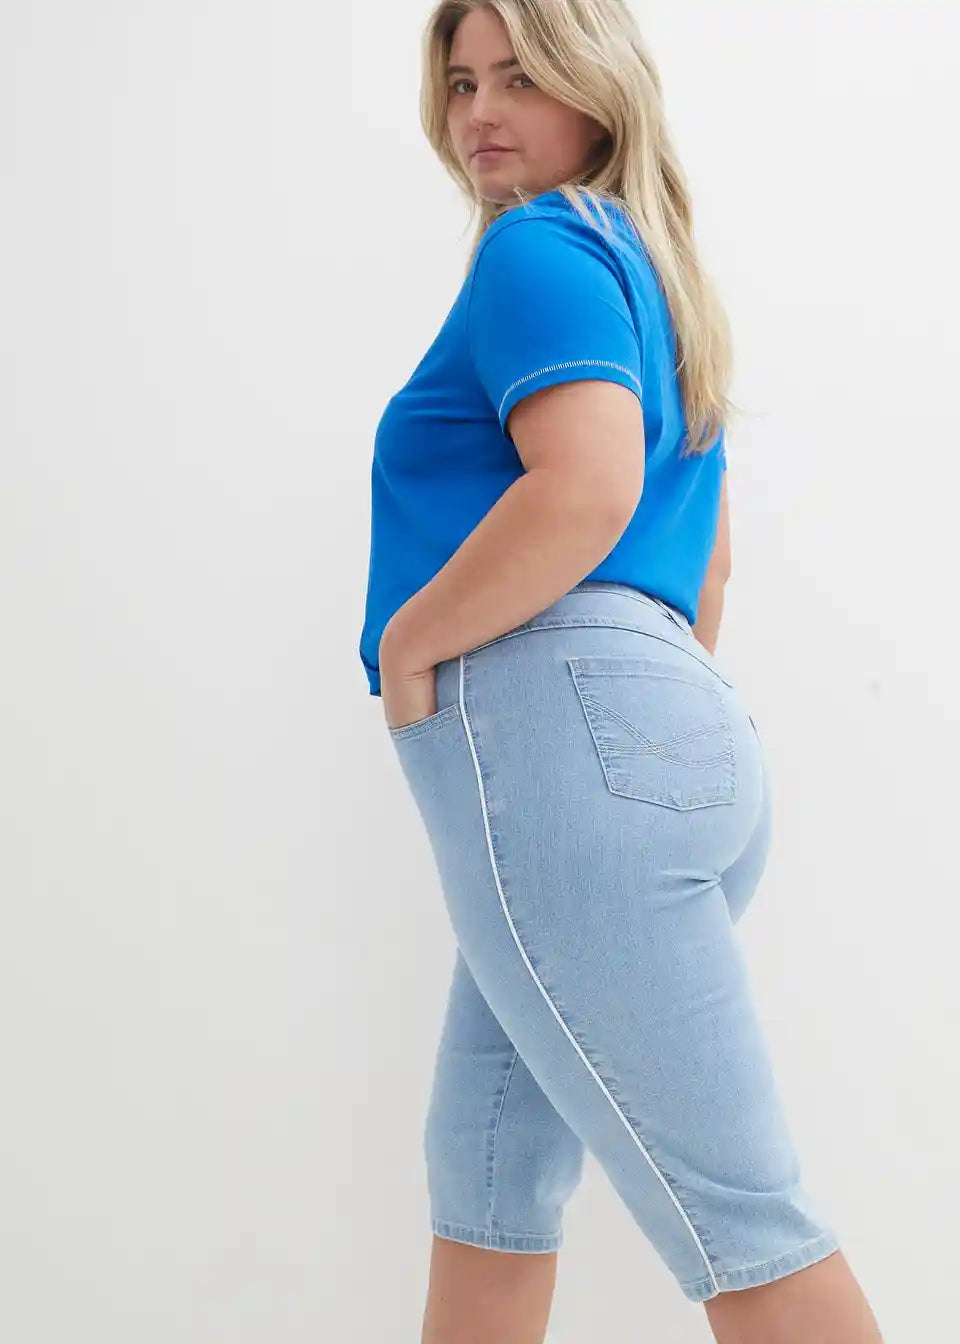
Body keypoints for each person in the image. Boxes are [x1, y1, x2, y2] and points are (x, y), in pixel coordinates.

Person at [358, 3, 885, 1341]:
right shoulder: (658, 279)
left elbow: (586, 489)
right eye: (462, 82)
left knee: (744, 1226)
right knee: (488, 1167)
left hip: (565, 746)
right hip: (676, 730)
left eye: (521, 77)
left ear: (598, 90)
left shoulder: (538, 246)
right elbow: (706, 575)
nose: (481, 112)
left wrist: (412, 643)